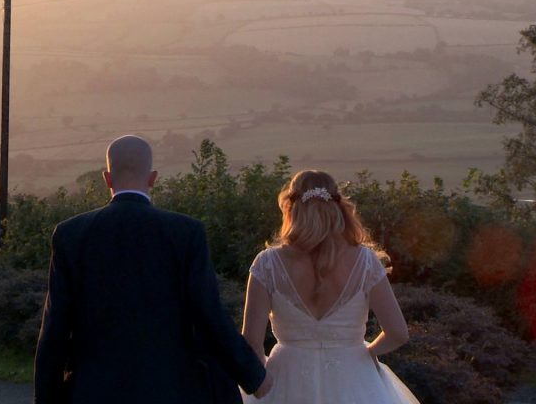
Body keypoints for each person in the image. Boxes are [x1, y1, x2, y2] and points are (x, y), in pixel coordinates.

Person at [34, 135, 272, 404]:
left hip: (93, 391)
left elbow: (55, 326)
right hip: (170, 389)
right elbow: (208, 314)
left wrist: (45, 396)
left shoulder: (70, 234)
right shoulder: (185, 232)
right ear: (153, 177)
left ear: (107, 178)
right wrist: (253, 375)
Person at [240, 170, 420, 403]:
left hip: (287, 377)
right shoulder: (365, 261)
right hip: (354, 375)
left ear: (290, 207)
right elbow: (397, 333)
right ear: (338, 206)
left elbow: (252, 341)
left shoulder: (267, 263)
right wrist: (367, 353)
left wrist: (261, 384)